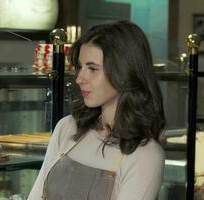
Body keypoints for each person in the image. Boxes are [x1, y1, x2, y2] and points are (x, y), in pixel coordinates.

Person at [28, 20, 166, 200]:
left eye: (92, 68)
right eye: (80, 67)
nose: (79, 78)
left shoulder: (145, 155)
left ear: (124, 73)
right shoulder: (67, 128)